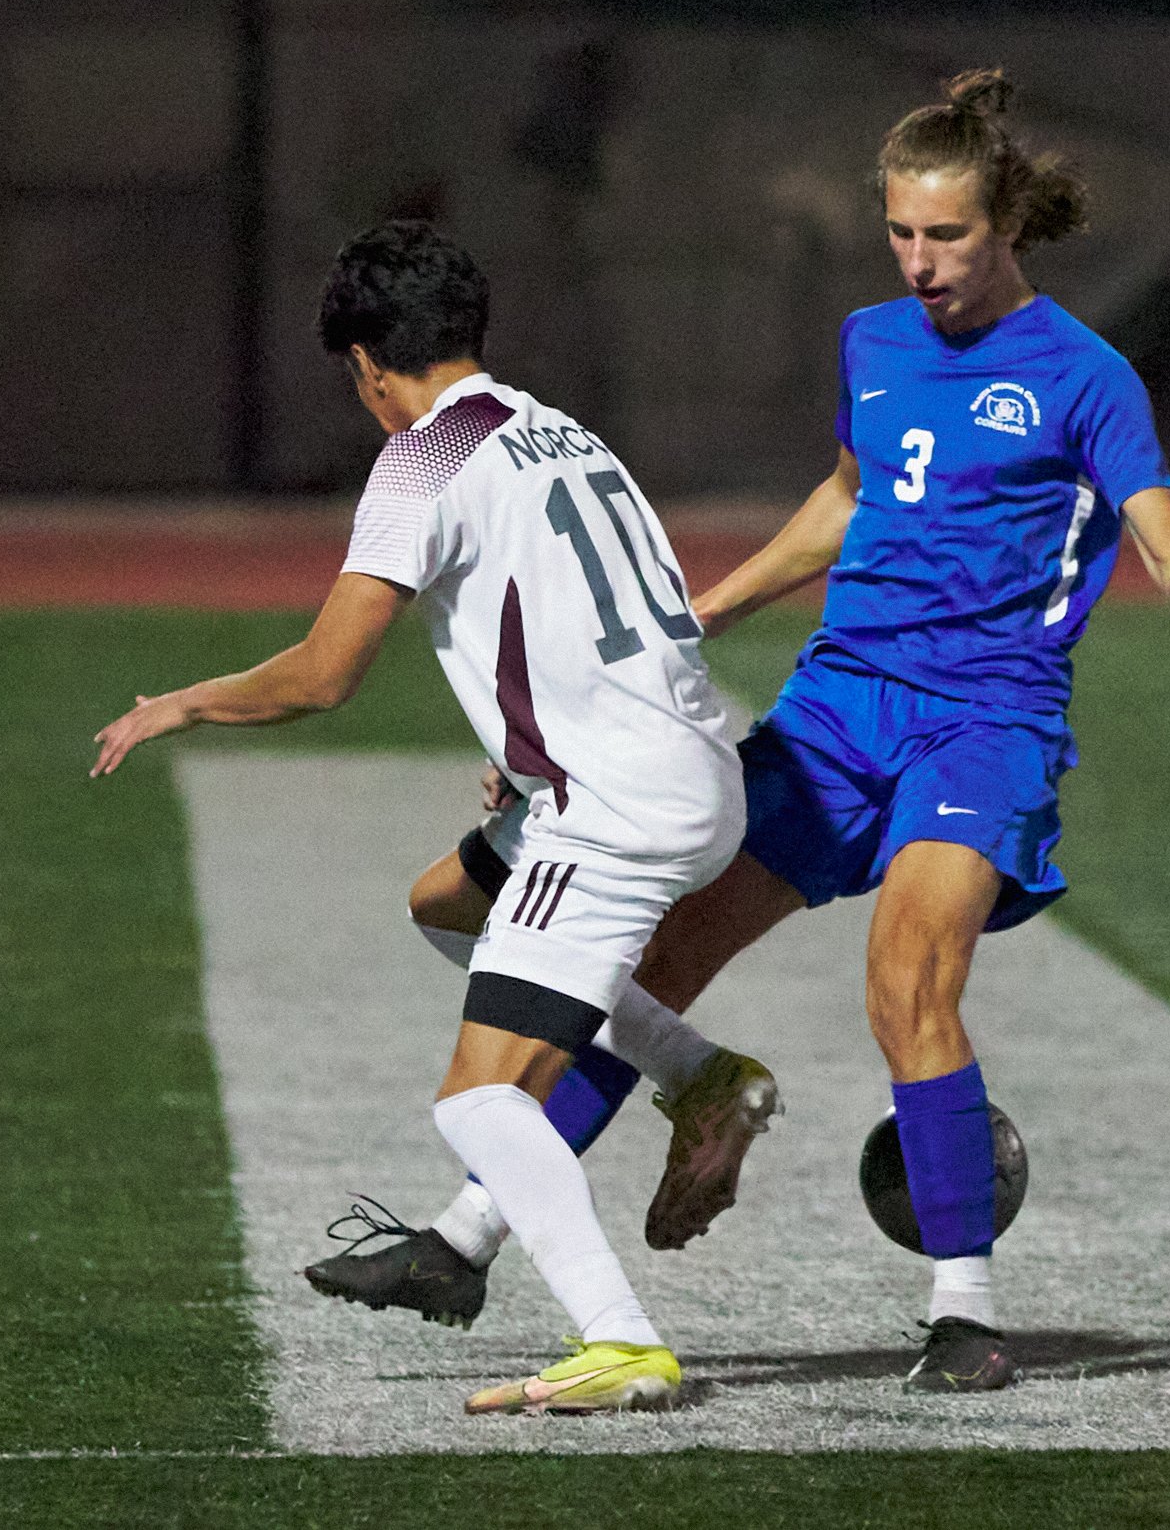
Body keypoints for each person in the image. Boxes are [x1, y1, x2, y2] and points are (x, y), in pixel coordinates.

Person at [305, 68, 1170, 1393]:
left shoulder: (1086, 374)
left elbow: (1158, 530)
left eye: (948, 235)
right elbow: (843, 499)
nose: (921, 261)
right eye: (903, 233)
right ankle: (466, 1236)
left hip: (982, 725)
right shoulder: (874, 342)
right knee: (641, 954)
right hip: (836, 711)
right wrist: (698, 609)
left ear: (1006, 227)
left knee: (906, 974)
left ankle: (962, 1311)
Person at [92, 220, 777, 1414]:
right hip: (694, 768)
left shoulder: (421, 457)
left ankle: (620, 1340)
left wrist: (184, 703)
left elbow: (322, 674)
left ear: (367, 361)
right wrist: (529, 756)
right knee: (449, 904)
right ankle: (699, 1072)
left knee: (477, 1100)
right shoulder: (564, 429)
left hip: (610, 810)